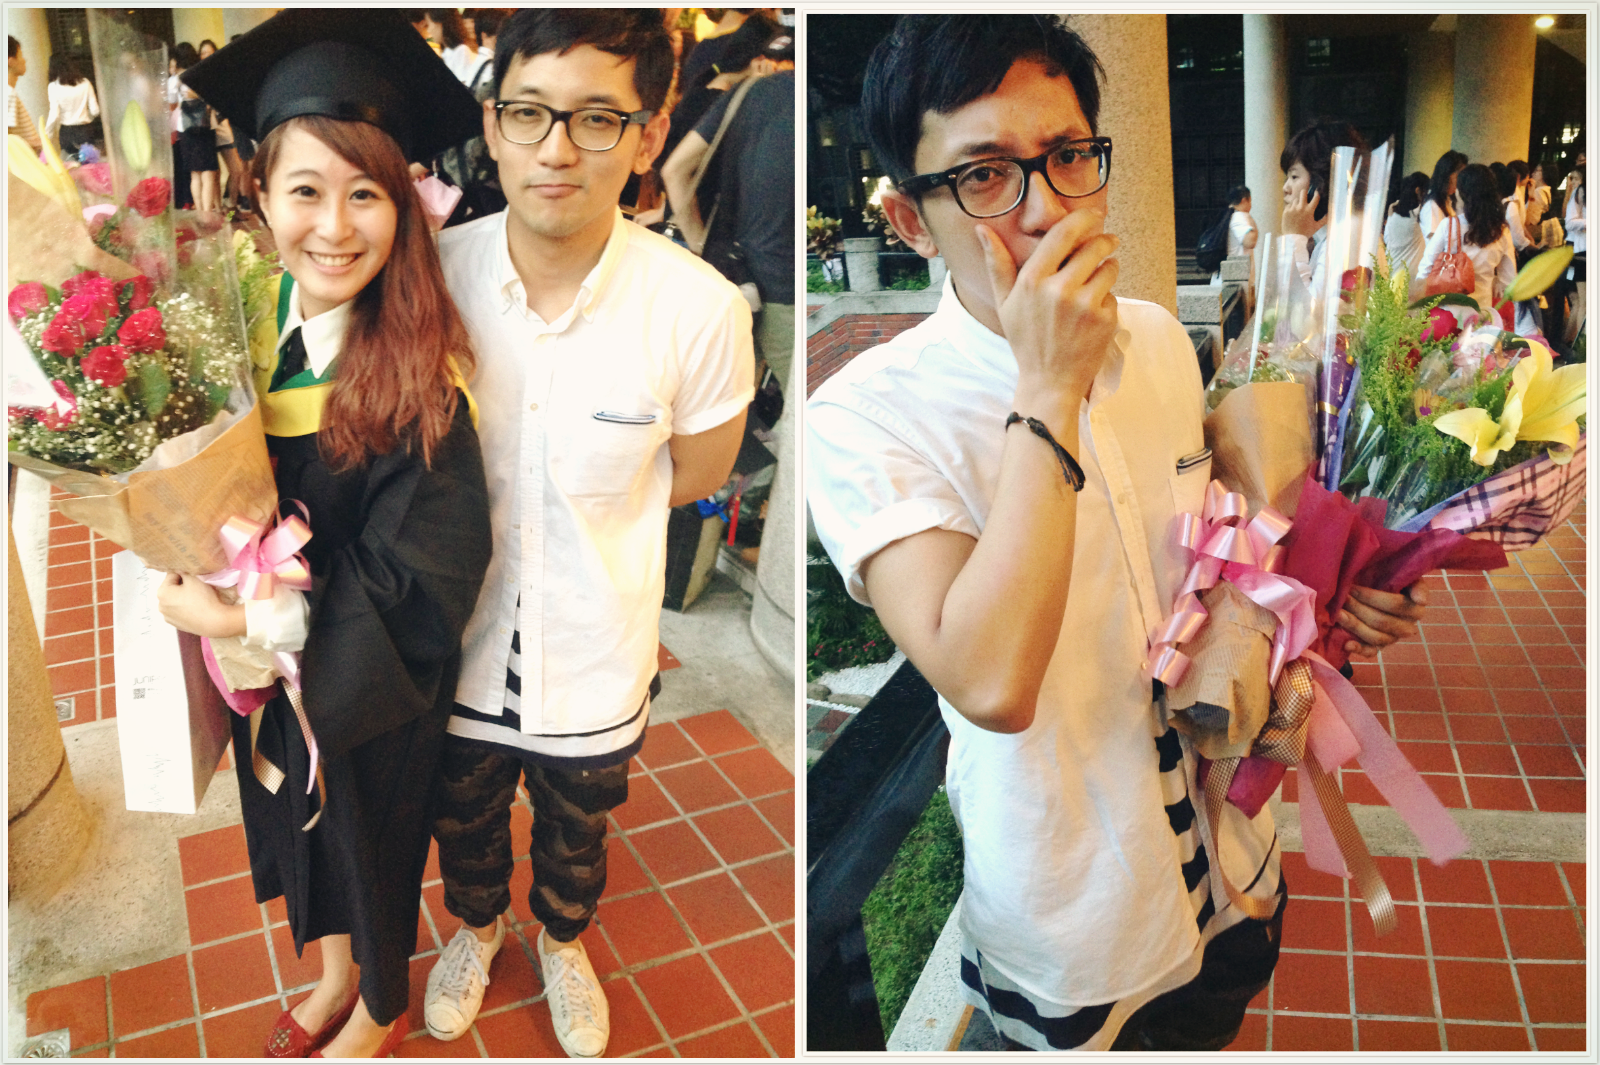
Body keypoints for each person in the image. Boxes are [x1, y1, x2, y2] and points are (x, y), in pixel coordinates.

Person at [807, 14, 1430, 1052]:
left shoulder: (1157, 340)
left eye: (1067, 157)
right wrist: (1047, 383)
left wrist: (1338, 593)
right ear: (910, 219)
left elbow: (1225, 564)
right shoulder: (867, 416)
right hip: (1078, 921)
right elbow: (990, 680)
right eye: (985, 175)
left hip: (1235, 857)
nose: (1045, 208)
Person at [421, 9, 754, 1058]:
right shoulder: (432, 278)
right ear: (493, 124)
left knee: (578, 827)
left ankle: (563, 942)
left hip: (599, 644)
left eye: (596, 118)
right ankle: (477, 929)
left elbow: (697, 473)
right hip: (455, 645)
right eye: (529, 113)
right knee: (462, 818)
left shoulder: (698, 309)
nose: (556, 149)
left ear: (648, 136)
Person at [170, 11, 490, 1057]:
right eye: (305, 190)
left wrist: (246, 618)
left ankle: (380, 1009)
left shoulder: (421, 374)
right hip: (269, 672)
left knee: (369, 836)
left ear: (404, 203)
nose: (335, 226)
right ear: (258, 193)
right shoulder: (243, 331)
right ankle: (335, 975)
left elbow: (424, 578)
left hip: (371, 682)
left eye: (367, 194)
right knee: (293, 819)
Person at [661, 44, 795, 386]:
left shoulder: (749, 91)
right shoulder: (814, 99)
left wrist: (700, 246)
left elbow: (675, 170)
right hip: (788, 295)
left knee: (721, 399)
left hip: (734, 279)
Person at [1413, 163, 1515, 320]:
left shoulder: (1449, 225)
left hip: (1448, 316)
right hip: (1481, 313)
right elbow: (1508, 279)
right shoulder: (1502, 231)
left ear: (1461, 194)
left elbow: (1426, 267)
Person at [1280, 118, 1369, 295]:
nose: (1285, 188)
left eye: (1294, 177)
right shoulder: (1332, 232)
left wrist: (1293, 239)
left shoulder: (1346, 232)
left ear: (1319, 181)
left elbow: (1306, 306)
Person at [44, 53, 99, 158]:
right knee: (89, 163)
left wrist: (47, 134)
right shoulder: (86, 83)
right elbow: (95, 111)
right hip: (86, 131)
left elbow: (54, 115)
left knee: (71, 164)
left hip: (67, 133)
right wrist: (86, 118)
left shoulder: (53, 86)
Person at [1384, 170, 1430, 281]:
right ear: (1418, 191)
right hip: (1411, 273)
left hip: (1391, 268)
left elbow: (1387, 238)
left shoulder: (1393, 209)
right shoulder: (1420, 214)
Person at [1421, 149, 1467, 243]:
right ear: (1448, 175)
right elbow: (1434, 244)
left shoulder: (1448, 202)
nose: (1461, 182)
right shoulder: (1432, 206)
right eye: (1459, 176)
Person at [7, 36, 42, 151]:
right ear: (10, 62)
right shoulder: (8, 93)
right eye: (20, 55)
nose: (24, 60)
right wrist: (35, 143)